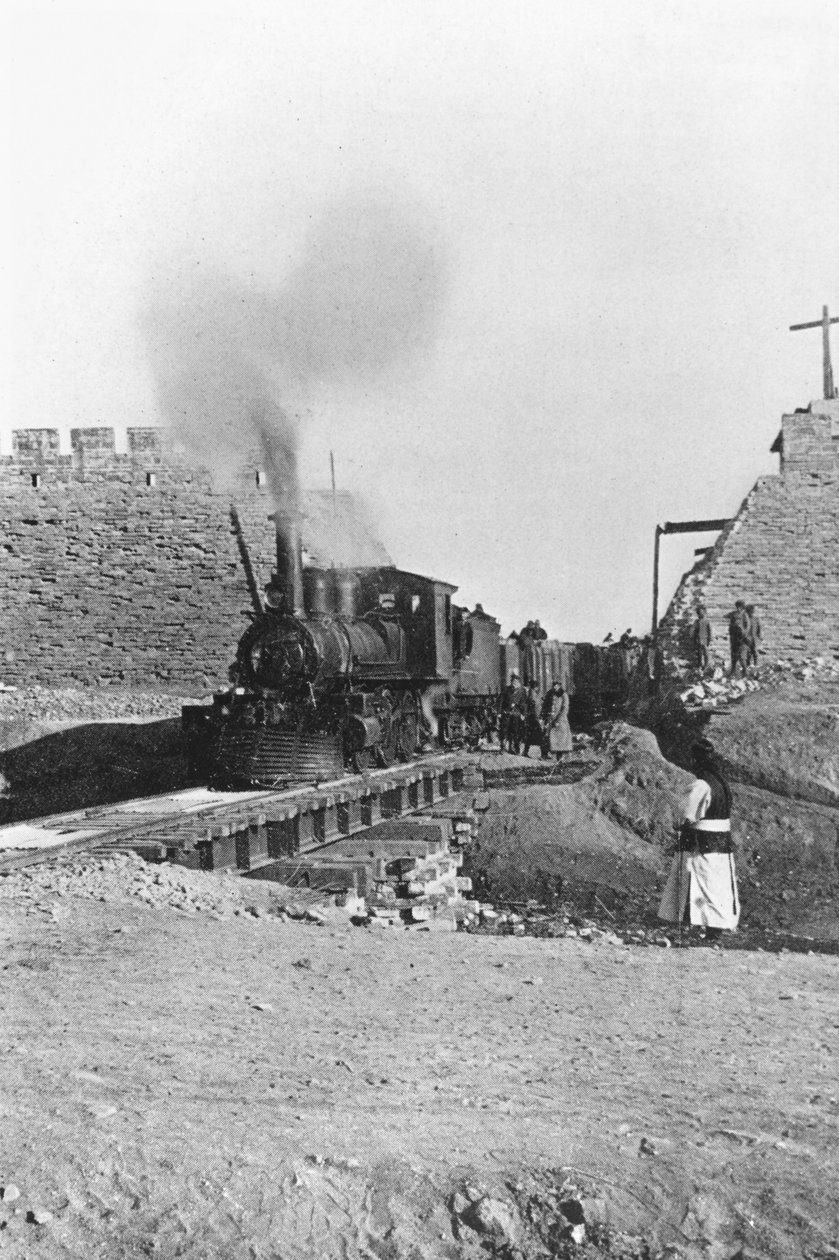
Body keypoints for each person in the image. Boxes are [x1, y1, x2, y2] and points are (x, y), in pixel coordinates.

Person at [657, 738, 739, 942]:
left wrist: (679, 825)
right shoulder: (721, 783)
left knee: (693, 883)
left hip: (700, 842)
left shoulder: (701, 785)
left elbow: (685, 814)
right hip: (721, 842)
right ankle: (715, 929)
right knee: (716, 885)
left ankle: (690, 930)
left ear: (695, 760)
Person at [540, 681, 572, 761]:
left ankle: (559, 756)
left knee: (560, 738)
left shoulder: (564, 695)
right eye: (553, 685)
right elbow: (545, 705)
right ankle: (544, 754)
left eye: (556, 686)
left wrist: (558, 719)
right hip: (549, 718)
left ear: (560, 686)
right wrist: (543, 715)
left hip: (560, 720)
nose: (555, 687)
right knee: (546, 736)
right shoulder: (550, 693)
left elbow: (565, 708)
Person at [499, 671, 527, 754]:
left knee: (515, 732)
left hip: (516, 714)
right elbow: (500, 701)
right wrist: (499, 712)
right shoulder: (506, 690)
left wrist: (523, 714)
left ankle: (515, 748)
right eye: (513, 681)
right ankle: (503, 748)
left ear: (519, 682)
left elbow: (524, 704)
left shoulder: (521, 691)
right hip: (506, 712)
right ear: (511, 682)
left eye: (516, 681)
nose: (515, 683)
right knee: (504, 731)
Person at [727, 601, 750, 677]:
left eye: (740, 607)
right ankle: (733, 671)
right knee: (733, 656)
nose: (738, 609)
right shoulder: (734, 614)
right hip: (734, 638)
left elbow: (747, 627)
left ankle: (745, 673)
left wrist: (743, 634)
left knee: (741, 657)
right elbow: (728, 618)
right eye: (737, 607)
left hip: (742, 638)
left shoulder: (744, 615)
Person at [521, 680, 542, 757]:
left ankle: (525, 752)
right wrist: (538, 717)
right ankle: (544, 754)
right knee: (540, 735)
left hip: (532, 718)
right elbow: (534, 707)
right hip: (533, 718)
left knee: (530, 736)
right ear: (536, 687)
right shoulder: (532, 695)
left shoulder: (531, 694)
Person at [692, 606, 712, 671]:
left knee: (706, 653)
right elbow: (694, 631)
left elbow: (709, 631)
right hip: (698, 639)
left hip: (705, 640)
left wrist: (709, 639)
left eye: (701, 612)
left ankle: (706, 665)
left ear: (704, 612)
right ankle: (700, 665)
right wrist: (693, 638)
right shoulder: (696, 621)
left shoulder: (707, 621)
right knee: (699, 653)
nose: (700, 614)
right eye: (699, 613)